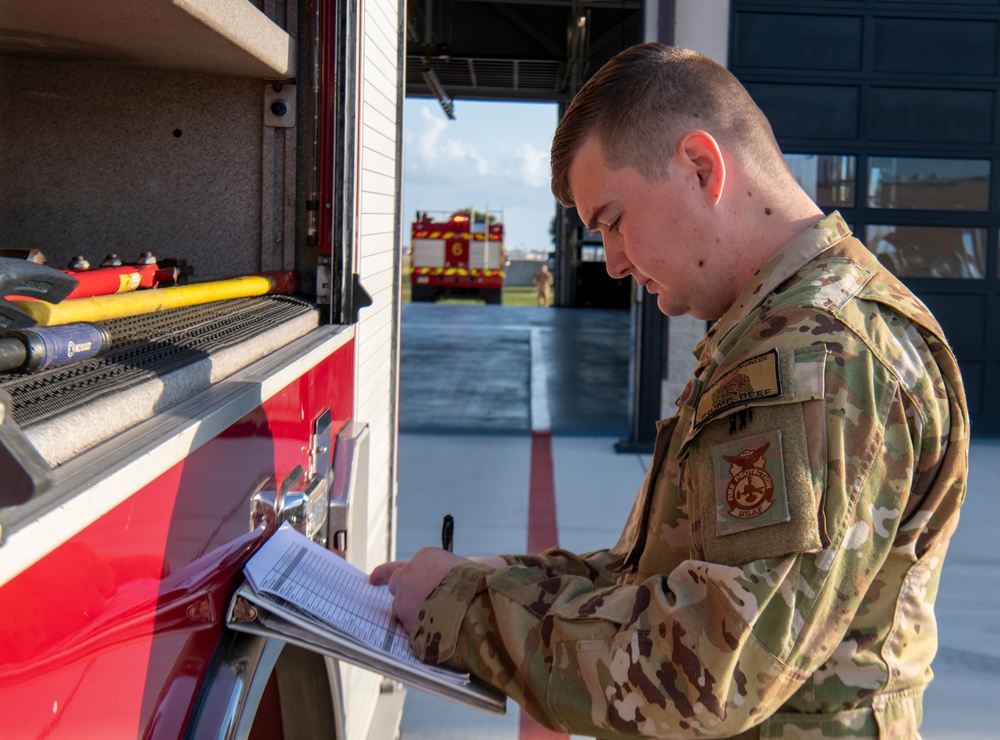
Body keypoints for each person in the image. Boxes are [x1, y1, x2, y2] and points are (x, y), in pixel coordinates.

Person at [372, 43, 969, 739]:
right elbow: (672, 573)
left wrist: (463, 607)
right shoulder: (782, 331)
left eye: (613, 220)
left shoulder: (820, 357)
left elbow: (705, 670)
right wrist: (505, 574)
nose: (615, 262)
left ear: (700, 167)